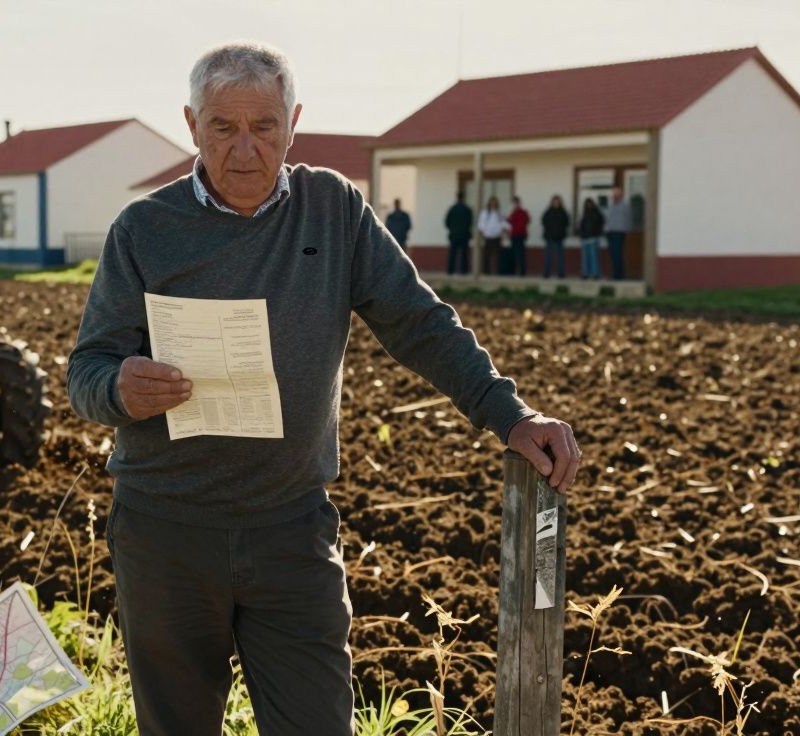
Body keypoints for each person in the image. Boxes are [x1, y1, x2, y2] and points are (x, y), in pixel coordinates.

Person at [67, 41, 580, 736]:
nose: (245, 149)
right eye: (223, 127)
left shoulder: (332, 209)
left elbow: (419, 322)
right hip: (166, 535)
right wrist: (121, 388)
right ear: (191, 125)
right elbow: (87, 372)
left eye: (264, 127)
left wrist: (508, 413)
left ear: (293, 122)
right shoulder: (144, 229)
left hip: (291, 529)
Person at [603, 186, 631, 281]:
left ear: (621, 195)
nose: (614, 195)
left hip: (619, 231)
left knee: (617, 253)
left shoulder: (625, 205)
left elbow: (629, 218)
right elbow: (606, 217)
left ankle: (619, 275)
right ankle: (615, 273)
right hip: (610, 231)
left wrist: (627, 230)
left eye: (617, 194)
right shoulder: (610, 205)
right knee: (612, 254)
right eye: (614, 193)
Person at [540, 195, 570, 279]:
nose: (556, 203)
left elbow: (567, 223)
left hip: (559, 238)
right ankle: (546, 273)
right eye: (554, 201)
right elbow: (543, 222)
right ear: (552, 202)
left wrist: (561, 232)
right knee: (548, 256)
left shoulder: (563, 212)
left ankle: (561, 273)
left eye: (557, 201)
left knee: (560, 257)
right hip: (549, 237)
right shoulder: (548, 212)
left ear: (560, 202)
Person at [444, 191, 472, 274]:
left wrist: (453, 228)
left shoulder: (452, 209)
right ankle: (464, 271)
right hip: (464, 234)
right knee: (464, 254)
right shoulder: (467, 210)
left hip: (454, 234)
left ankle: (450, 271)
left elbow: (447, 222)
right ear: (463, 198)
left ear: (457, 198)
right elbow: (470, 222)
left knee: (453, 254)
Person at [477, 195, 506, 275]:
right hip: (488, 236)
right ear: (489, 203)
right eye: (491, 202)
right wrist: (482, 232)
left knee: (497, 255)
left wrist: (503, 231)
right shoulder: (485, 212)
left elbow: (503, 223)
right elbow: (481, 223)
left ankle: (496, 271)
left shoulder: (499, 212)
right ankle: (486, 272)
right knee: (487, 255)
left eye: (494, 202)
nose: (493, 204)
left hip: (497, 236)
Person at [578, 198, 604, 280]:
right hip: (585, 238)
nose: (588, 205)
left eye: (590, 204)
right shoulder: (584, 214)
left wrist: (596, 233)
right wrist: (581, 234)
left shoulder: (597, 213)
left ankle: (596, 274)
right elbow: (581, 226)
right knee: (585, 258)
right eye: (587, 204)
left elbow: (601, 223)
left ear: (593, 204)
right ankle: (585, 273)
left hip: (593, 238)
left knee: (594, 257)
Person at [506, 195, 530, 276]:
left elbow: (526, 221)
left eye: (516, 203)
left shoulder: (522, 212)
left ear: (518, 203)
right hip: (514, 235)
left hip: (520, 235)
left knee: (520, 254)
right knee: (515, 253)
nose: (515, 204)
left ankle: (521, 271)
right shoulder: (512, 212)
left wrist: (510, 219)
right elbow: (509, 222)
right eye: (513, 203)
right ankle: (515, 271)